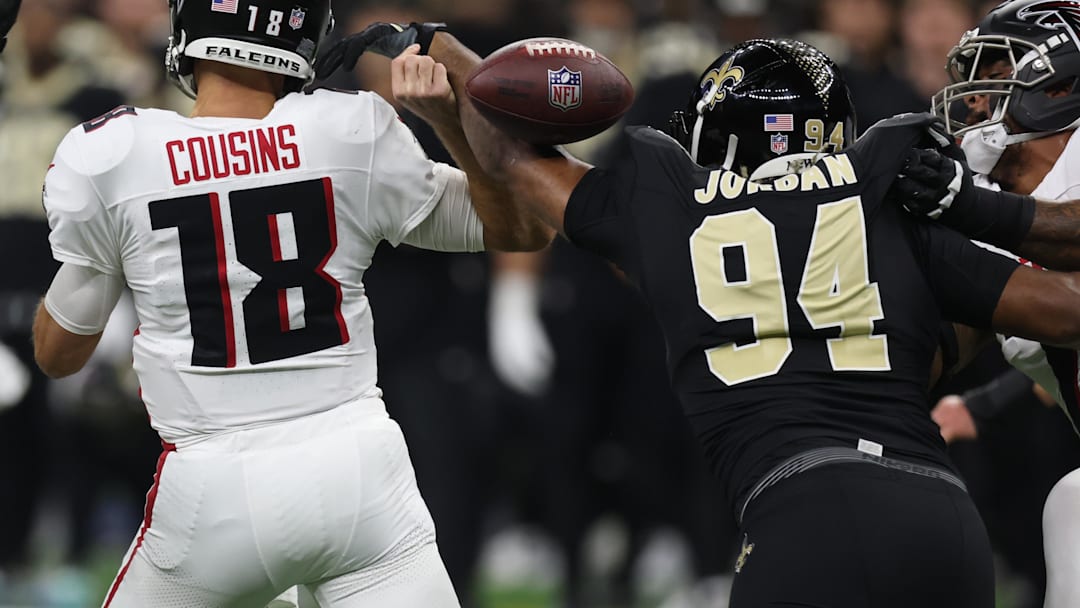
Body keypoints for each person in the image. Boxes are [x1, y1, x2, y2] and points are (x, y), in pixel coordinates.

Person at [320, 30, 1080, 606]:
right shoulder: (898, 213)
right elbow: (1064, 313)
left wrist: (437, 47)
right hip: (943, 522)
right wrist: (992, 216)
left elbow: (515, 157)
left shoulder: (669, 217)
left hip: (800, 516)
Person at [31, 1, 552, 606]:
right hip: (360, 472)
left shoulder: (117, 157)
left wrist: (103, 256)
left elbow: (58, 354)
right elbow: (522, 229)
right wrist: (450, 123)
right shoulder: (348, 131)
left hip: (212, 489)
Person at [886, 2, 1080, 605]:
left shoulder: (990, 207)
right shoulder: (992, 209)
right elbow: (943, 340)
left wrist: (968, 208)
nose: (971, 99)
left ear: (1061, 84)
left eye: (995, 73)